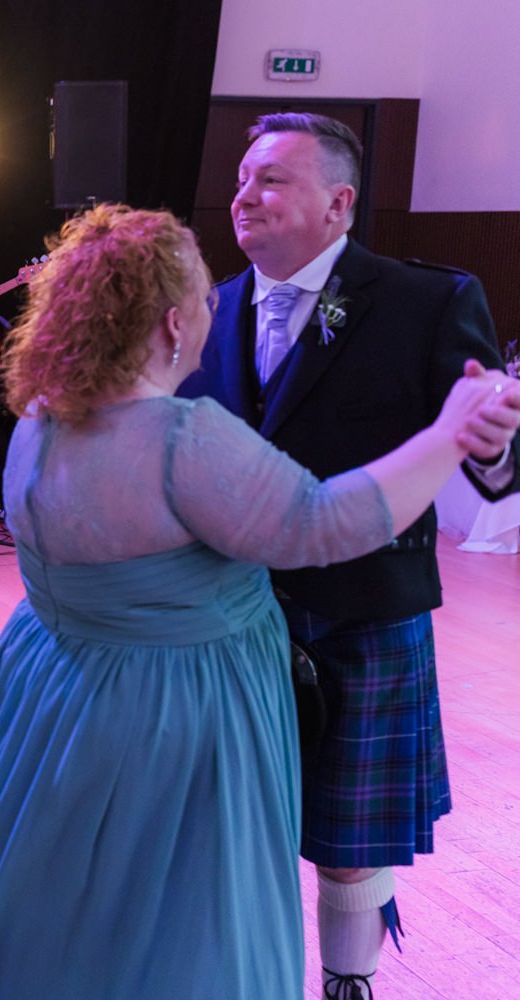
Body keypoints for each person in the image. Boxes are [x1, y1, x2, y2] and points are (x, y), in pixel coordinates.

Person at [0, 204, 516, 998]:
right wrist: (452, 431)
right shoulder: (182, 436)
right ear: (176, 320)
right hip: (174, 710)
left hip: (47, 696)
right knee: (165, 920)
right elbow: (327, 524)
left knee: (46, 895)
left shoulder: (40, 421)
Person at [179, 112, 520, 998]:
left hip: (365, 611)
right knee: (233, 827)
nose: (244, 196)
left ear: (339, 202)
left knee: (348, 841)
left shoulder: (425, 300)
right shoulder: (207, 310)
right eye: (243, 178)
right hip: (232, 616)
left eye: (271, 181)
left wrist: (487, 440)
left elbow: (498, 459)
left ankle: (349, 984)